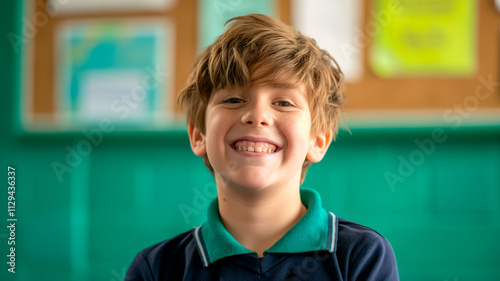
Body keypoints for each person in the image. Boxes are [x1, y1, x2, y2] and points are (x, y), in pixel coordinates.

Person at [126, 13, 399, 280]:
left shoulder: (362, 256)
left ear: (317, 141)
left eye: (283, 103)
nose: (257, 115)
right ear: (199, 135)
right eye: (233, 99)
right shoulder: (156, 268)